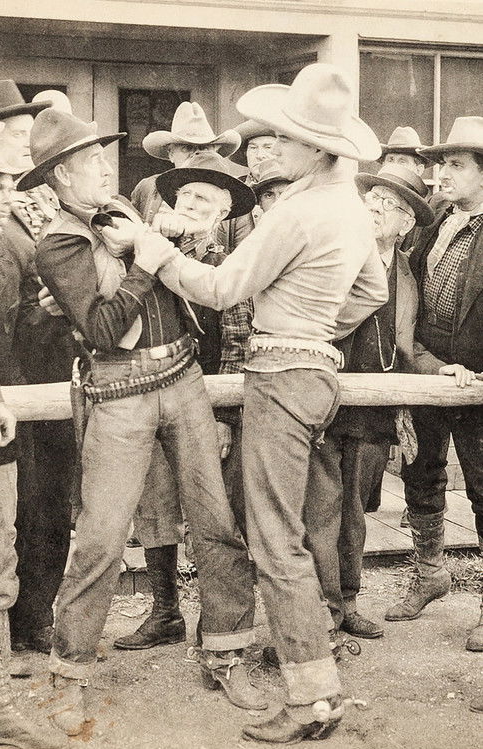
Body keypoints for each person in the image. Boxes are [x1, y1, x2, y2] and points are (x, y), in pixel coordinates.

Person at [139, 62, 388, 743]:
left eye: (288, 136)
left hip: (280, 377)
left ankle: (313, 700)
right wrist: (319, 328)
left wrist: (154, 251)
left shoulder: (298, 211)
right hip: (317, 376)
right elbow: (372, 292)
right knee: (293, 531)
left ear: (318, 147)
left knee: (277, 542)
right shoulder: (350, 206)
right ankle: (315, 689)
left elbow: (222, 288)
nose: (274, 145)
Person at [19, 107, 262, 736]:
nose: (107, 170)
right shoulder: (59, 243)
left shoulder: (124, 210)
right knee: (101, 537)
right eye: (92, 162)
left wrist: (168, 239)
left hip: (183, 377)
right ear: (61, 176)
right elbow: (103, 330)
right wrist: (146, 261)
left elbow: (169, 272)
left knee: (216, 521)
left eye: (104, 158)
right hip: (119, 390)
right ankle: (68, 675)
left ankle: (227, 652)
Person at [114, 150, 255, 651]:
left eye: (205, 200)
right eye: (187, 195)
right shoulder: (140, 253)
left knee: (212, 513)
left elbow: (237, 344)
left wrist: (223, 416)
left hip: (204, 407)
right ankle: (165, 612)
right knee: (154, 506)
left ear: (223, 214)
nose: (192, 204)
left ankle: (218, 624)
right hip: (147, 396)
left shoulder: (226, 266)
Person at [306, 164, 434, 640]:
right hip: (327, 402)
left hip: (376, 410)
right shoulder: (336, 255)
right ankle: (321, 609)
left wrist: (442, 370)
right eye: (372, 199)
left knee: (355, 513)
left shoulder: (407, 272)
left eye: (389, 205)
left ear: (407, 223)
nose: (376, 209)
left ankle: (349, 601)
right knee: (320, 510)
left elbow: (408, 344)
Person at [0, 79, 76, 656]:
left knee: (49, 506)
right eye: (14, 133)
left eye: (29, 133)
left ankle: (35, 617)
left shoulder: (40, 204)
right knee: (20, 510)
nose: (26, 141)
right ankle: (20, 623)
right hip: (13, 390)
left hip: (51, 381)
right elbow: (1, 324)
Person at [385, 117, 483, 655]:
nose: (441, 174)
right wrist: (423, 361)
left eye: (456, 165)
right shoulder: (435, 219)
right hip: (426, 369)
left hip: (477, 383)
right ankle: (429, 573)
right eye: (441, 163)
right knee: (421, 472)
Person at [131, 101, 240, 223]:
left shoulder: (235, 194)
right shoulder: (148, 187)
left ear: (216, 152)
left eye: (203, 148)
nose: (196, 154)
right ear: (171, 154)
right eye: (187, 148)